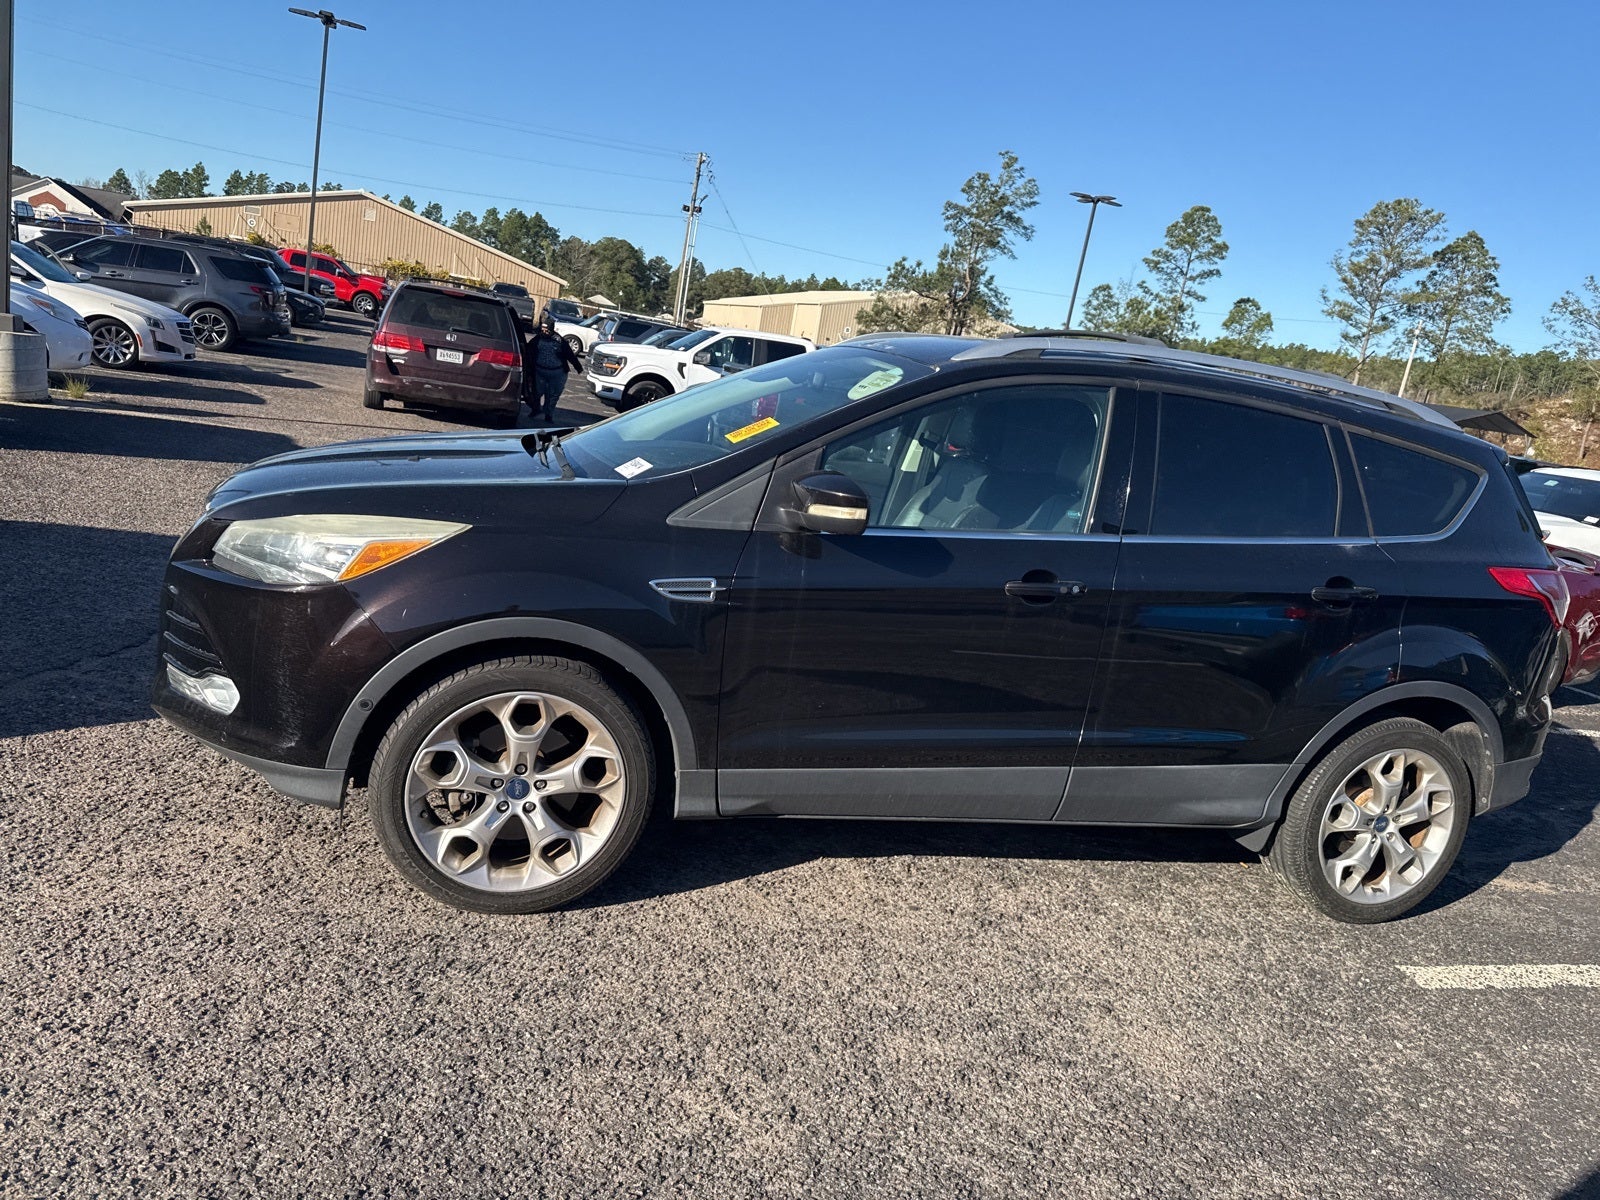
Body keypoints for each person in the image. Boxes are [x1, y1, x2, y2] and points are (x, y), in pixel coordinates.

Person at [522, 313, 583, 423]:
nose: (544, 332)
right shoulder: (537, 339)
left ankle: (548, 415)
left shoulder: (559, 341)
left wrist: (578, 367)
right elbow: (528, 350)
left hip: (557, 374)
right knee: (536, 393)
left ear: (552, 330)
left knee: (552, 396)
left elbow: (569, 354)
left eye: (547, 330)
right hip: (540, 372)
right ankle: (536, 410)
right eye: (543, 330)